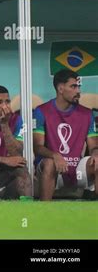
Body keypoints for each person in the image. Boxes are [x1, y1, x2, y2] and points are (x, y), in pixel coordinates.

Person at [33, 69, 98, 201]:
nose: (78, 91)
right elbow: (38, 147)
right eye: (73, 86)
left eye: (78, 86)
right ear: (60, 88)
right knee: (50, 163)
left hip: (76, 168)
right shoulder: (41, 111)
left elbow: (93, 146)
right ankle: (43, 213)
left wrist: (96, 153)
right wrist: (55, 155)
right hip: (52, 169)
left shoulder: (86, 114)